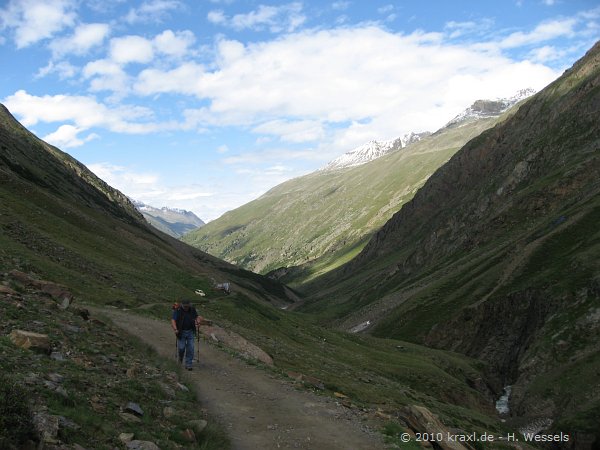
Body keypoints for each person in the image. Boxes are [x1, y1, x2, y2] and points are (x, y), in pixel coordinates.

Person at [171, 299, 208, 370]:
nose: (186, 308)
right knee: (181, 348)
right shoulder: (178, 310)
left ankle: (188, 364)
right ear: (182, 305)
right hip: (181, 332)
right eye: (185, 306)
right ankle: (180, 359)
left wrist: (198, 321)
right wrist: (175, 329)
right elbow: (173, 320)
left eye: (187, 306)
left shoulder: (192, 309)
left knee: (191, 348)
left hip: (190, 331)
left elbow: (197, 317)